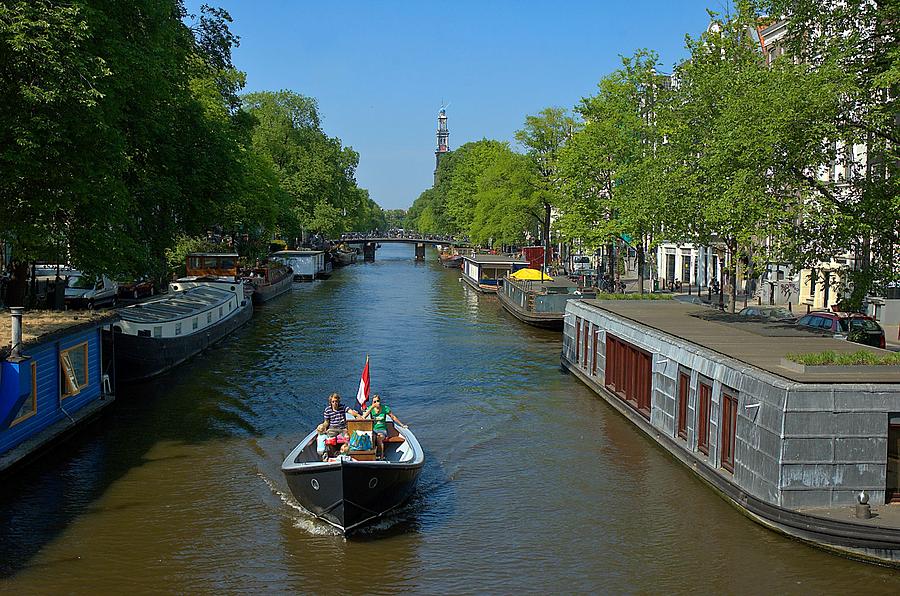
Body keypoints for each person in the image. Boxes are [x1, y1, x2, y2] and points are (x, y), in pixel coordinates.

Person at [362, 394, 407, 460]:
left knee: (379, 438)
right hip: (374, 429)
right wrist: (372, 407)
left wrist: (402, 425)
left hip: (382, 430)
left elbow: (393, 417)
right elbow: (363, 417)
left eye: (378, 401)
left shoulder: (385, 408)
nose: (377, 403)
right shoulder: (371, 408)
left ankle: (382, 455)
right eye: (375, 401)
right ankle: (372, 455)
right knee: (372, 438)